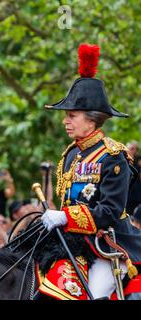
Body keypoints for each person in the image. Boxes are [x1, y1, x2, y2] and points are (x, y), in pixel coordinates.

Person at [38, 43, 141, 300]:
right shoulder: (71, 153)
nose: (66, 121)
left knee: (93, 294)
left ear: (92, 119)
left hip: (107, 244)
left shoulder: (113, 156)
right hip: (72, 242)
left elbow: (110, 212)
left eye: (72, 115)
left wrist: (65, 217)